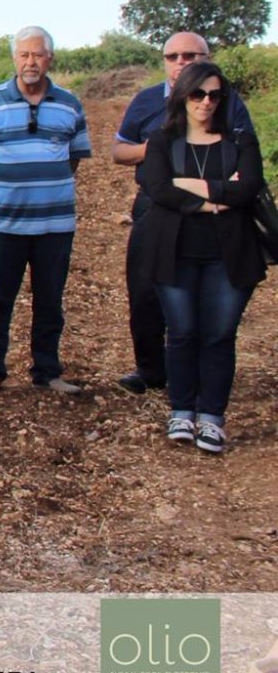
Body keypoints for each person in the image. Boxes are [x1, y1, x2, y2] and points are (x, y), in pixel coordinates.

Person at [130, 63, 267, 453]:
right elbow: (157, 188)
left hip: (229, 254)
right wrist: (215, 201)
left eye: (214, 95)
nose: (206, 102)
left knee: (219, 336)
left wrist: (190, 186)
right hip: (174, 253)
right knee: (183, 332)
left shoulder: (240, 140)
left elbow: (249, 188)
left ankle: (212, 417)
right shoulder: (161, 140)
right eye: (197, 94)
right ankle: (182, 410)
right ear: (183, 96)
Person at [111, 31, 257, 394]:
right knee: (146, 288)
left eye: (191, 56)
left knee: (204, 292)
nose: (182, 63)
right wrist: (158, 150)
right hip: (156, 205)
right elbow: (119, 151)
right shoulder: (146, 101)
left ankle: (197, 375)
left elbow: (244, 163)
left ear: (207, 58)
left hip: (215, 209)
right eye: (173, 56)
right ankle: (150, 370)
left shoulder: (227, 102)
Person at [0, 28, 92, 398]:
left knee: (50, 299)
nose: (30, 62)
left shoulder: (69, 104)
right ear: (14, 59)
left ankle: (47, 370)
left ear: (50, 59)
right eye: (24, 55)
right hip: (4, 221)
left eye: (37, 55)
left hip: (55, 223)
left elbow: (74, 157)